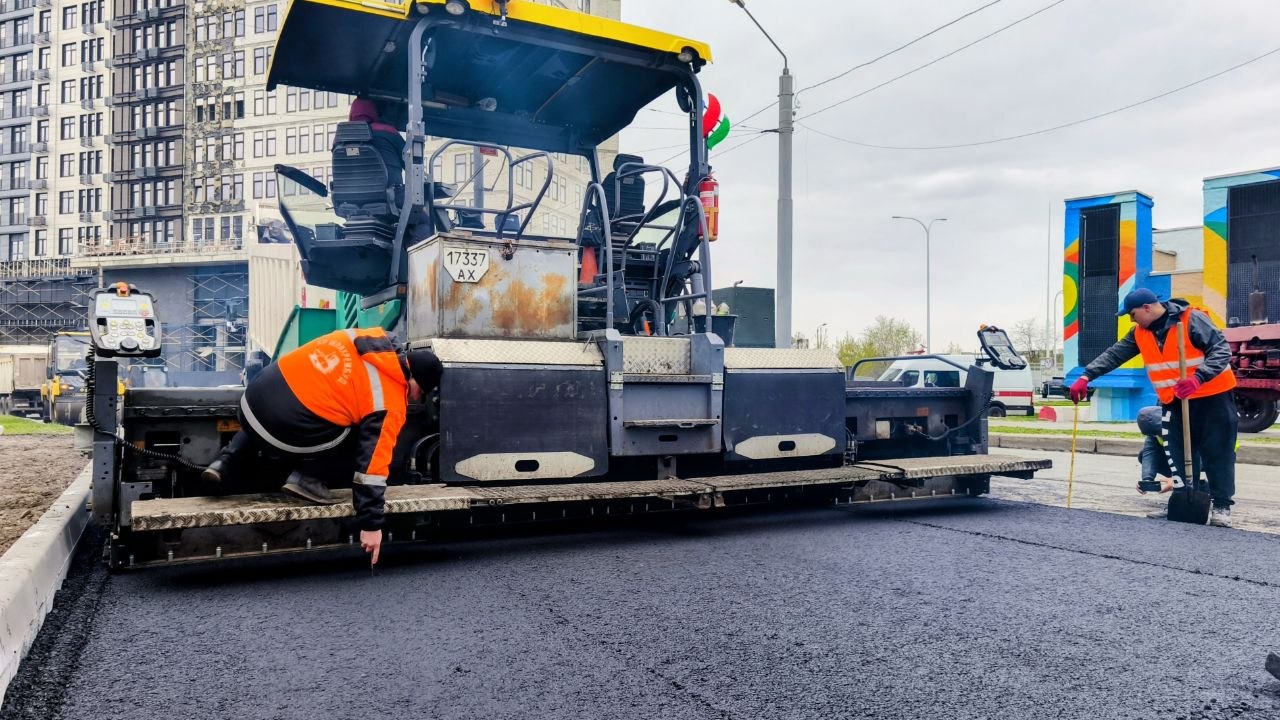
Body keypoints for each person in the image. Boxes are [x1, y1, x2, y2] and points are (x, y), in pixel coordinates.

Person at [202, 328, 443, 564]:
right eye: (418, 391)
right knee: (362, 438)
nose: (413, 398)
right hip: (281, 427)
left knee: (306, 398)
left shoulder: (365, 338)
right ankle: (308, 479)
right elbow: (372, 465)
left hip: (251, 401)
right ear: (413, 376)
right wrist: (371, 524)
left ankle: (224, 463)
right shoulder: (387, 399)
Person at [1069, 288, 1237, 526]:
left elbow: (1221, 351)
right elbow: (1114, 355)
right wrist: (1086, 376)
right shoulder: (1139, 332)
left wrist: (1199, 378)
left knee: (1217, 453)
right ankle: (1181, 501)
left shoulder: (1192, 319)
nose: (1131, 319)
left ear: (1147, 308)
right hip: (1175, 399)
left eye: (1132, 314)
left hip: (1213, 397)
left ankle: (1221, 506)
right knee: (1178, 452)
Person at [1134, 405, 1175, 516]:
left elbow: (1196, 456)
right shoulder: (1154, 432)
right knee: (1142, 455)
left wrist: (1177, 479)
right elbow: (1149, 452)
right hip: (1176, 458)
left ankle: (1200, 486)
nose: (1157, 436)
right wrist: (1147, 479)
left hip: (1203, 461)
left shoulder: (1178, 428)